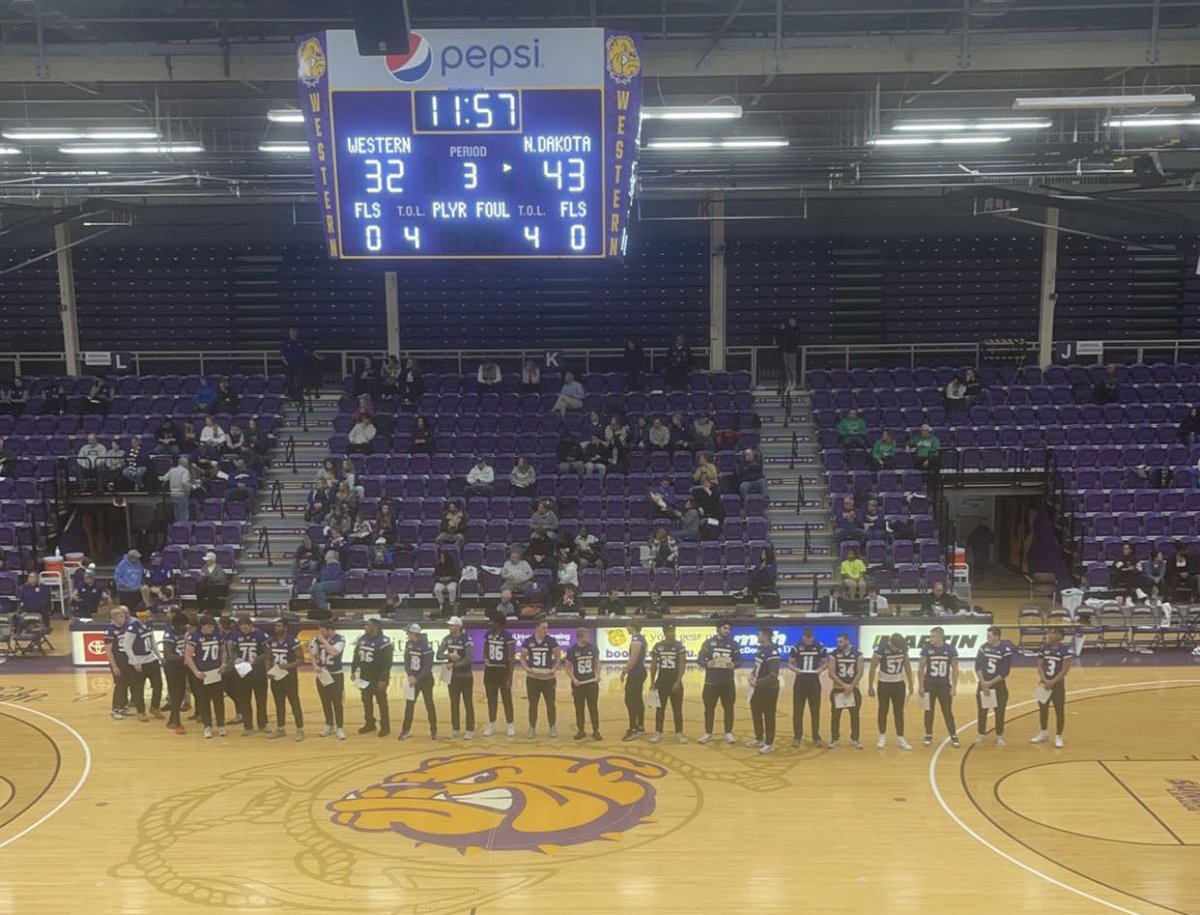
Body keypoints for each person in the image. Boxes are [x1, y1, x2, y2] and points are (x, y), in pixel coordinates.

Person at [868, 632, 914, 750]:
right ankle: (882, 736)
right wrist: (870, 686)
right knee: (883, 710)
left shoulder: (903, 648)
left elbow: (907, 665)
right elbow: (872, 667)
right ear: (891, 643)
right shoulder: (881, 649)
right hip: (884, 684)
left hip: (899, 684)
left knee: (899, 712)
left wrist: (911, 682)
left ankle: (900, 737)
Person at [697, 623, 740, 744]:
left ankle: (728, 733)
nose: (727, 630)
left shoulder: (733, 644)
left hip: (727, 683)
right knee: (709, 708)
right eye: (725, 628)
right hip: (711, 682)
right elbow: (699, 659)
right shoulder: (708, 643)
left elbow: (739, 660)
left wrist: (734, 665)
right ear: (718, 629)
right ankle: (708, 733)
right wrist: (706, 664)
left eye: (729, 628)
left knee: (729, 708)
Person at [185, 613, 227, 738]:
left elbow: (223, 650)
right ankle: (207, 726)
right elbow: (188, 656)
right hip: (202, 674)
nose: (211, 628)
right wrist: (195, 671)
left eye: (212, 626)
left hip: (216, 672)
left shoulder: (218, 635)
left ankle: (221, 725)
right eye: (209, 626)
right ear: (202, 626)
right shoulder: (194, 637)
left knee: (218, 700)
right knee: (204, 701)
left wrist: (223, 663)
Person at [1031, 626, 1073, 748]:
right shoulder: (1044, 648)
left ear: (1060, 636)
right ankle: (1043, 732)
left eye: (1053, 633)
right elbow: (1039, 665)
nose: (1050, 635)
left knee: (1059, 711)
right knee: (1042, 708)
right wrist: (1044, 680)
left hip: (1057, 685)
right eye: (1050, 633)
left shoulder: (1066, 651)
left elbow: (1065, 670)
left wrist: (1052, 682)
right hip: (1044, 683)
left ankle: (1059, 736)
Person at [919, 626, 959, 748]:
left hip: (944, 685)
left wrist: (954, 687)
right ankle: (928, 734)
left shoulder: (950, 649)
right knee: (928, 711)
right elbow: (921, 668)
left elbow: (955, 669)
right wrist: (920, 686)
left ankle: (953, 735)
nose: (931, 638)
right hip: (929, 685)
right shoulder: (926, 649)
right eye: (930, 636)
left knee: (947, 712)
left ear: (940, 636)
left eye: (933, 636)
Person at [228, 616, 269, 735]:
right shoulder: (236, 635)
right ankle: (248, 726)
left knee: (261, 699)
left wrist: (256, 660)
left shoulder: (261, 635)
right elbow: (232, 650)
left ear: (251, 626)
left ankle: (263, 724)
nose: (243, 630)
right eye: (241, 628)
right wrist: (236, 658)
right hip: (243, 671)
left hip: (258, 671)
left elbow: (267, 653)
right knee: (244, 700)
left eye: (245, 628)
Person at [520, 619, 561, 738]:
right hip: (533, 679)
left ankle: (552, 727)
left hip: (548, 679)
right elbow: (522, 658)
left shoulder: (551, 641)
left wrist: (554, 669)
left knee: (550, 704)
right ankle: (532, 728)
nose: (546, 630)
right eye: (543, 628)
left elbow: (558, 658)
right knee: (533, 704)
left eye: (547, 628)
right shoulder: (528, 641)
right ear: (537, 628)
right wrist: (526, 668)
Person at [352, 618, 393, 738]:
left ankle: (385, 726)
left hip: (378, 677)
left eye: (368, 625)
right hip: (364, 676)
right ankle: (369, 723)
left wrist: (384, 679)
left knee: (381, 702)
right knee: (366, 700)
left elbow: (388, 662)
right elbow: (356, 655)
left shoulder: (384, 641)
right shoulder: (362, 638)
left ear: (375, 626)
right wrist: (353, 670)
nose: (365, 627)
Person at [974, 626, 1013, 747]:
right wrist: (983, 683)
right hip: (983, 683)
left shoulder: (1005, 650)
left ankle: (999, 735)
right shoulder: (983, 648)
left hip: (998, 685)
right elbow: (978, 667)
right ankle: (981, 734)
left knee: (999, 711)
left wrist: (990, 683)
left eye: (989, 636)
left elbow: (1005, 672)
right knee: (982, 711)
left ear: (997, 636)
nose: (987, 638)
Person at [265, 619, 305, 741]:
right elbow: (268, 658)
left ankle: (300, 730)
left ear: (285, 628)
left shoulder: (293, 641)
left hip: (290, 677)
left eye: (278, 626)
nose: (276, 628)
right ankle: (280, 728)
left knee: (294, 703)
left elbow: (300, 659)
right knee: (279, 703)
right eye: (275, 626)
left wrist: (288, 666)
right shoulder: (271, 641)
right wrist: (268, 671)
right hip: (276, 676)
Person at [648, 623, 687, 743]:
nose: (673, 633)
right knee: (660, 709)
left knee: (677, 709)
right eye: (670, 631)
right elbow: (653, 665)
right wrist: (652, 682)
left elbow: (682, 665)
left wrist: (678, 681)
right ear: (665, 633)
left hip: (675, 682)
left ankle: (679, 733)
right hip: (661, 682)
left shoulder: (679, 646)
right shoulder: (658, 646)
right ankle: (658, 732)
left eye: (674, 631)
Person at [788, 627, 827, 747]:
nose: (808, 640)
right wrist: (795, 669)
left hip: (814, 680)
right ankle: (797, 737)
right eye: (806, 638)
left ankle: (816, 736)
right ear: (803, 636)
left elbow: (825, 662)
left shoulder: (820, 647)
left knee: (815, 710)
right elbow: (790, 663)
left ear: (813, 637)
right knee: (798, 710)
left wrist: (820, 669)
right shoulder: (796, 646)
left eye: (810, 638)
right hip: (800, 680)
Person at [397, 623, 436, 740]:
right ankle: (406, 730)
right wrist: (409, 675)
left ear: (414, 633)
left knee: (429, 704)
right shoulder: (408, 644)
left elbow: (427, 666)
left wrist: (417, 678)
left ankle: (433, 730)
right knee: (409, 705)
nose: (406, 634)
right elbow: (406, 661)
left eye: (408, 632)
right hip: (412, 680)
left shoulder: (426, 646)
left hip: (426, 680)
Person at [481, 610, 517, 737]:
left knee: (507, 699)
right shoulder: (487, 634)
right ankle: (491, 724)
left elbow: (511, 658)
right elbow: (484, 651)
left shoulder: (508, 636)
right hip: (490, 671)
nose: (489, 623)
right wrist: (485, 658)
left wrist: (510, 678)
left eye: (491, 621)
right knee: (491, 699)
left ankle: (510, 724)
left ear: (499, 623)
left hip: (503, 671)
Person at [124, 610, 164, 722]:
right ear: (139, 616)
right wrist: (135, 662)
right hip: (138, 661)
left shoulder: (149, 625)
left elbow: (153, 641)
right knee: (138, 688)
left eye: (147, 616)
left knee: (158, 684)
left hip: (150, 659)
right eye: (143, 617)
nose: (145, 619)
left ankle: (155, 707)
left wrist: (159, 656)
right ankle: (141, 711)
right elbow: (127, 646)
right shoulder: (132, 628)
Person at [747, 627, 781, 754]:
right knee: (755, 712)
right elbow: (758, 667)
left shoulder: (772, 652)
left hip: (770, 689)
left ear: (766, 636)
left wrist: (758, 682)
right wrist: (751, 675)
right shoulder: (760, 649)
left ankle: (769, 744)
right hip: (758, 688)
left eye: (760, 634)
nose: (758, 636)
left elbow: (773, 675)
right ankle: (759, 738)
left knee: (769, 716)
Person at [826, 632, 863, 749]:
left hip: (853, 689)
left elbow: (860, 672)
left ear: (847, 641)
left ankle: (855, 739)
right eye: (838, 642)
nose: (839, 644)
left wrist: (851, 686)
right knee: (835, 716)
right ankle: (834, 738)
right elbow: (831, 673)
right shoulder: (834, 655)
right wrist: (843, 685)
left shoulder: (858, 654)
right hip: (838, 689)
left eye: (841, 641)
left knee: (855, 715)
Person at [565, 626, 602, 741]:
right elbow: (567, 667)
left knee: (593, 707)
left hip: (591, 683)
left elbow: (597, 662)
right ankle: (581, 730)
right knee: (579, 708)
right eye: (587, 636)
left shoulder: (593, 648)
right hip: (579, 684)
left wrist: (598, 674)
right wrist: (573, 679)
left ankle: (596, 730)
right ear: (581, 637)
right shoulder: (572, 650)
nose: (589, 637)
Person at [311, 621, 346, 740]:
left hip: (336, 675)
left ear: (330, 630)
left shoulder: (339, 639)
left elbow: (334, 652)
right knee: (325, 702)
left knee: (337, 702)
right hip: (322, 675)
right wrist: (315, 665)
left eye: (323, 631)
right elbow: (312, 654)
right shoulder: (316, 640)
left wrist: (324, 641)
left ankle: (340, 727)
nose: (320, 633)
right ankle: (329, 725)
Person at [160, 613, 189, 735]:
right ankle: (176, 721)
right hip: (172, 667)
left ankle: (173, 720)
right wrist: (185, 657)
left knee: (180, 693)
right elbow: (168, 655)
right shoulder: (169, 634)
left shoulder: (186, 632)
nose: (186, 627)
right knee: (175, 693)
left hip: (182, 666)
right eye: (184, 625)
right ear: (177, 626)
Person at [620, 622, 648, 741]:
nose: (626, 628)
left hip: (636, 672)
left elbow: (633, 658)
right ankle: (640, 725)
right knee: (637, 699)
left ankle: (634, 728)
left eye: (628, 626)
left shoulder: (637, 639)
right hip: (639, 671)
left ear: (633, 627)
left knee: (630, 700)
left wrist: (624, 670)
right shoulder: (640, 638)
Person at [281, 327, 314, 403]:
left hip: (300, 364)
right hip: (289, 364)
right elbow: (282, 354)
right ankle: (293, 395)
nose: (291, 335)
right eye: (290, 333)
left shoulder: (301, 343)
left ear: (296, 334)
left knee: (300, 380)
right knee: (290, 380)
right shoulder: (285, 343)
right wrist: (285, 361)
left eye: (293, 333)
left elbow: (308, 351)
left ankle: (299, 395)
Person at [159, 456, 194, 522]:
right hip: (182, 494)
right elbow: (184, 482)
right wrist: (188, 490)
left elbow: (163, 478)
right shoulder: (185, 471)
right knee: (183, 513)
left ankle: (177, 528)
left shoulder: (172, 470)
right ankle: (183, 528)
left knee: (177, 514)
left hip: (173, 494)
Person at [775, 316, 801, 392]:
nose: (791, 322)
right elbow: (782, 337)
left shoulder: (797, 329)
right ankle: (789, 382)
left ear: (795, 322)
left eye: (792, 321)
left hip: (793, 351)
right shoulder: (786, 329)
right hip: (785, 351)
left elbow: (796, 339)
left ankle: (794, 383)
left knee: (792, 368)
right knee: (787, 368)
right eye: (790, 321)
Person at [432, 550, 460, 615]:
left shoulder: (453, 565)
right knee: (437, 590)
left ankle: (451, 603)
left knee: (452, 589)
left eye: (443, 557)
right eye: (441, 557)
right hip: (441, 581)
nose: (442, 559)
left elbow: (457, 576)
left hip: (451, 581)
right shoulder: (438, 565)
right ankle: (441, 603)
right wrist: (440, 578)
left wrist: (449, 578)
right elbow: (435, 575)